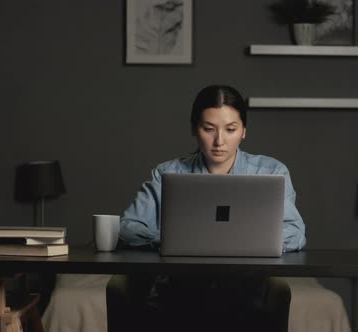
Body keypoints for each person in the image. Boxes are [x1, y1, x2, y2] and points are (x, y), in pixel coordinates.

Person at [114, 85, 305, 332]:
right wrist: (171, 241)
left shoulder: (271, 172)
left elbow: (295, 231)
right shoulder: (168, 173)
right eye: (209, 129)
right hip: (178, 299)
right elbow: (127, 227)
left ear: (244, 131)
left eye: (231, 129)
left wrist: (249, 242)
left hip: (246, 301)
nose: (219, 141)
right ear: (195, 129)